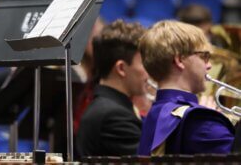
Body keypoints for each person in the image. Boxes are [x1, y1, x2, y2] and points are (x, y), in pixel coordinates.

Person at [137, 20, 235, 155]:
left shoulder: (154, 113)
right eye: (204, 56)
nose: (209, 66)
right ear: (180, 60)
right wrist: (212, 119)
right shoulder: (200, 120)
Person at [76, 19, 148, 158]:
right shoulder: (115, 117)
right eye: (143, 62)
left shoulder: (106, 106)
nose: (149, 70)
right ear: (121, 68)